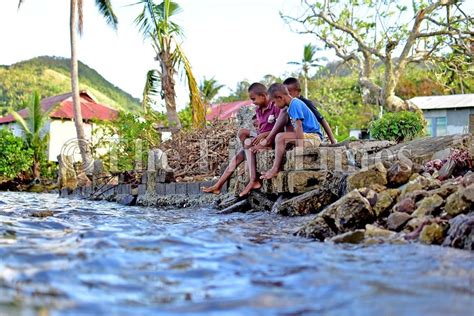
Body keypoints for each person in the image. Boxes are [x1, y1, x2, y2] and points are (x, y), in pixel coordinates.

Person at [202, 83, 286, 194]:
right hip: (260, 139)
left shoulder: (275, 106)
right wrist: (259, 135)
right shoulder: (258, 110)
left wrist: (264, 135)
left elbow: (281, 129)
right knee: (239, 149)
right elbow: (259, 130)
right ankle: (218, 185)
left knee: (247, 145)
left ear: (263, 96)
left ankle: (253, 180)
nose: (253, 102)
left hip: (271, 139)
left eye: (254, 99)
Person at [260, 83, 322, 180]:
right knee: (282, 138)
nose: (275, 105)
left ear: (280, 97)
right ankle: (276, 167)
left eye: (274, 102)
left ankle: (275, 169)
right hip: (307, 136)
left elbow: (298, 126)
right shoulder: (290, 106)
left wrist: (300, 149)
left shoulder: (294, 104)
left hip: (313, 137)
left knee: (280, 137)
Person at [282, 77, 337, 144]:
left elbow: (322, 119)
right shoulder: (288, 106)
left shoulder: (304, 103)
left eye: (289, 93)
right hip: (300, 134)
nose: (287, 96)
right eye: (284, 94)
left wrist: (333, 141)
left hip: (311, 135)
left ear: (298, 91)